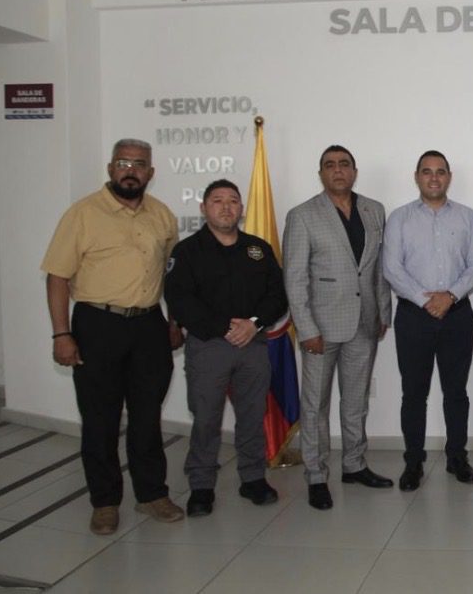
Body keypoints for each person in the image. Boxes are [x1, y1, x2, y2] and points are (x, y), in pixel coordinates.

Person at [41, 138, 184, 535]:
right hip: (97, 325)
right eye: (123, 163)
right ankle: (104, 502)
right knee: (99, 419)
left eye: (139, 164)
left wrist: (174, 322)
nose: (130, 170)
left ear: (150, 172)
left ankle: (152, 494)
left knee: (147, 417)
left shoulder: (162, 215)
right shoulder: (83, 213)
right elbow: (57, 277)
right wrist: (61, 334)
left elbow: (172, 275)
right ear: (110, 168)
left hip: (149, 326)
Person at [164, 179, 288, 517]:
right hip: (208, 345)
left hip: (252, 344)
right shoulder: (187, 251)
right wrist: (225, 328)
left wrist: (254, 323)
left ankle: (253, 478)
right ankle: (201, 484)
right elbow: (179, 299)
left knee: (252, 414)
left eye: (233, 201)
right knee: (206, 417)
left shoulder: (258, 249)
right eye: (217, 201)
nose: (226, 207)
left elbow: (278, 294)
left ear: (241, 209)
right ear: (204, 208)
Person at [283, 145, 394, 511]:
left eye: (344, 164)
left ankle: (354, 464)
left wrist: (383, 311)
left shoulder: (374, 210)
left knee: (356, 401)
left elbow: (378, 268)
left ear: (354, 171)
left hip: (364, 322)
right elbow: (295, 278)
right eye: (330, 165)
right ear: (321, 174)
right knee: (315, 405)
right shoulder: (302, 215)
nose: (338, 170)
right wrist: (306, 328)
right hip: (321, 327)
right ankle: (316, 475)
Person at [384, 150, 473, 491]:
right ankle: (413, 462)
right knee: (413, 393)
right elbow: (391, 268)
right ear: (417, 177)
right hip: (414, 316)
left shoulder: (467, 217)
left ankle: (457, 457)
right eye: (426, 171)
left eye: (440, 171)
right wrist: (426, 300)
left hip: (457, 315)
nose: (433, 177)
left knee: (456, 392)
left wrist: (450, 296)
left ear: (449, 177)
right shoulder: (399, 218)